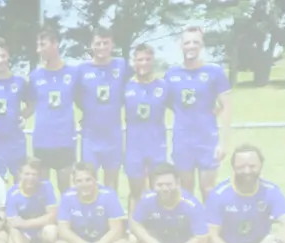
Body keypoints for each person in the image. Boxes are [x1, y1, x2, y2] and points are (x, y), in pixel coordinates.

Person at [164, 27, 232, 196]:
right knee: (185, 190)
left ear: (202, 45)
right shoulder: (172, 74)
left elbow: (227, 107)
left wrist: (223, 143)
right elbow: (167, 102)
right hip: (182, 141)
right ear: (181, 46)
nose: (191, 46)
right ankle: (188, 223)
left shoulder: (215, 72)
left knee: (207, 188)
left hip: (207, 140)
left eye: (195, 42)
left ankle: (211, 223)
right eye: (187, 42)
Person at [51, 163, 133, 243]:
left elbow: (116, 230)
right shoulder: (67, 197)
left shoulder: (108, 195)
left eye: (88, 180)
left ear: (96, 180)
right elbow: (64, 231)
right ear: (74, 182)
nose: (84, 184)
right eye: (79, 181)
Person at [131, 164, 212, 243]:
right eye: (160, 185)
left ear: (178, 183)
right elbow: (135, 224)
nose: (164, 188)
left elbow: (202, 237)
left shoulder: (191, 204)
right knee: (132, 239)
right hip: (161, 241)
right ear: (153, 185)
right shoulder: (147, 199)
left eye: (168, 184)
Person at [75, 30, 128, 192]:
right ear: (92, 45)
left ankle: (111, 215)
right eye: (98, 43)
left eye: (106, 43)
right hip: (91, 135)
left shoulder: (122, 65)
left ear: (112, 44)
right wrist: (88, 112)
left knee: (111, 183)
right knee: (88, 180)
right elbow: (76, 96)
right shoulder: (82, 69)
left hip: (113, 134)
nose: (102, 47)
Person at [28, 27, 78, 189]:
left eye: (43, 45)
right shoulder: (35, 76)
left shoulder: (73, 73)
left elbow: (84, 99)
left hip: (65, 140)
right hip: (42, 141)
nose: (38, 49)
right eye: (37, 45)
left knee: (66, 189)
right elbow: (30, 104)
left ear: (55, 44)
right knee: (43, 191)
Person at [122, 44, 172, 209]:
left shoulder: (163, 86)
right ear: (134, 62)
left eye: (147, 59)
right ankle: (132, 230)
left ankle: (156, 226)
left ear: (153, 61)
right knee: (136, 192)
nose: (143, 63)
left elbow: (182, 108)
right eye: (139, 59)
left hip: (157, 146)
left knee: (158, 190)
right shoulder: (126, 86)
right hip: (134, 147)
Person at [0, 42, 31, 181]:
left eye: (3, 56)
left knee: (21, 180)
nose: (0, 60)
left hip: (16, 140)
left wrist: (23, 116)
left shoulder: (20, 81)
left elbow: (32, 104)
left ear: (8, 56)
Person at [2, 158, 59, 243]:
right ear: (20, 175)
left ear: (39, 175)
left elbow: (52, 216)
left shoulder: (46, 186)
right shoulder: (13, 193)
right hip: (23, 231)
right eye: (27, 174)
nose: (31, 178)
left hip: (41, 228)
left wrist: (26, 223)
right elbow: (12, 223)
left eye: (34, 174)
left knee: (51, 232)